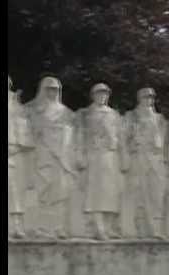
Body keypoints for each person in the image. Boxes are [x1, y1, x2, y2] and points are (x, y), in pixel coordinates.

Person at [25, 77, 76, 238]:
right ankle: (40, 226)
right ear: (43, 90)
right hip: (43, 156)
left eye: (55, 89)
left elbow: (72, 135)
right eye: (49, 89)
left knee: (60, 193)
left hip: (61, 158)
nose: (52, 92)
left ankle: (58, 227)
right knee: (43, 192)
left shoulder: (66, 112)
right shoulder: (33, 110)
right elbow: (28, 132)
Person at [76, 83, 127, 240]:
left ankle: (109, 226)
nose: (103, 96)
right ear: (93, 95)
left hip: (111, 156)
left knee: (111, 191)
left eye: (105, 94)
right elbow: (80, 136)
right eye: (99, 94)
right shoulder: (86, 114)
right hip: (95, 154)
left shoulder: (113, 114)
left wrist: (124, 157)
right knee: (96, 191)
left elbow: (121, 137)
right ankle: (98, 227)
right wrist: (80, 155)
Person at [124, 88, 167, 239]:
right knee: (140, 194)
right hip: (139, 157)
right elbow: (125, 138)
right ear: (139, 98)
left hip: (155, 158)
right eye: (146, 97)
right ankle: (141, 228)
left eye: (151, 97)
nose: (149, 100)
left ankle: (156, 228)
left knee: (157, 194)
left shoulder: (159, 118)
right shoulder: (132, 116)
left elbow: (164, 142)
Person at [8, 76, 35, 238]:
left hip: (13, 151)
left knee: (14, 191)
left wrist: (16, 146)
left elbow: (24, 130)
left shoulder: (17, 107)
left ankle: (17, 226)